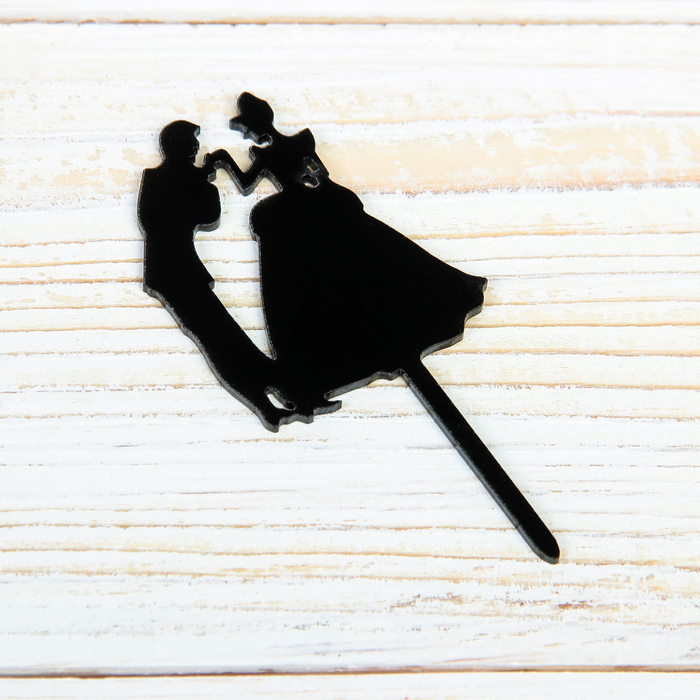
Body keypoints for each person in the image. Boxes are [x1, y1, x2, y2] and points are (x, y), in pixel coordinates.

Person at [206, 94, 488, 412]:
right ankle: (369, 333)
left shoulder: (287, 147)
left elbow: (303, 175)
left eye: (248, 127)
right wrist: (229, 162)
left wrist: (225, 162)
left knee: (354, 268)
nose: (249, 133)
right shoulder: (287, 146)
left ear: (256, 125)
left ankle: (378, 333)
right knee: (339, 276)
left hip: (312, 212)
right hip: (318, 206)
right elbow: (298, 175)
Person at [137, 120, 309, 431]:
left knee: (225, 338)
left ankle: (282, 396)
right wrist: (202, 180)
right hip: (173, 273)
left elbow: (203, 213)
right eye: (191, 141)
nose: (195, 147)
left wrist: (200, 179)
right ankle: (270, 400)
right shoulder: (158, 177)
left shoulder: (175, 178)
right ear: (176, 145)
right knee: (220, 341)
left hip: (180, 271)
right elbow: (198, 215)